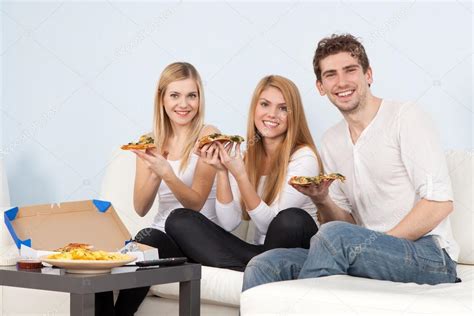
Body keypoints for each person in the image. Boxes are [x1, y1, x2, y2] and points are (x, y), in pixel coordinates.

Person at [242, 34, 459, 291]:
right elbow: (346, 223)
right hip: (362, 250)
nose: (341, 81)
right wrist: (322, 200)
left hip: (429, 254)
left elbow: (439, 203)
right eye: (331, 74)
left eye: (350, 70)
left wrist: (372, 245)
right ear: (321, 86)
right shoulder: (332, 140)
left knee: (335, 237)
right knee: (264, 264)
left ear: (368, 74)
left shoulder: (405, 117)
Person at [96, 62, 220, 316]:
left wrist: (167, 173)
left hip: (197, 240)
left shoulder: (208, 135)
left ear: (199, 99)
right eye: (175, 95)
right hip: (159, 240)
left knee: (148, 239)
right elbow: (140, 207)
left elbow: (194, 205)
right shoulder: (151, 141)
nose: (183, 104)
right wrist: (153, 172)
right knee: (104, 260)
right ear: (162, 99)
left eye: (191, 96)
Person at [165, 75, 323, 271]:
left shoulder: (304, 157)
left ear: (294, 114)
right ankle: (253, 267)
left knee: (291, 219)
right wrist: (222, 172)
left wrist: (241, 175)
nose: (272, 114)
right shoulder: (245, 154)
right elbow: (230, 222)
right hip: (261, 252)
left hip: (297, 249)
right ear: (255, 108)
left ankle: (254, 265)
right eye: (265, 104)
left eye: (283, 108)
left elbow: (271, 225)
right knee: (179, 220)